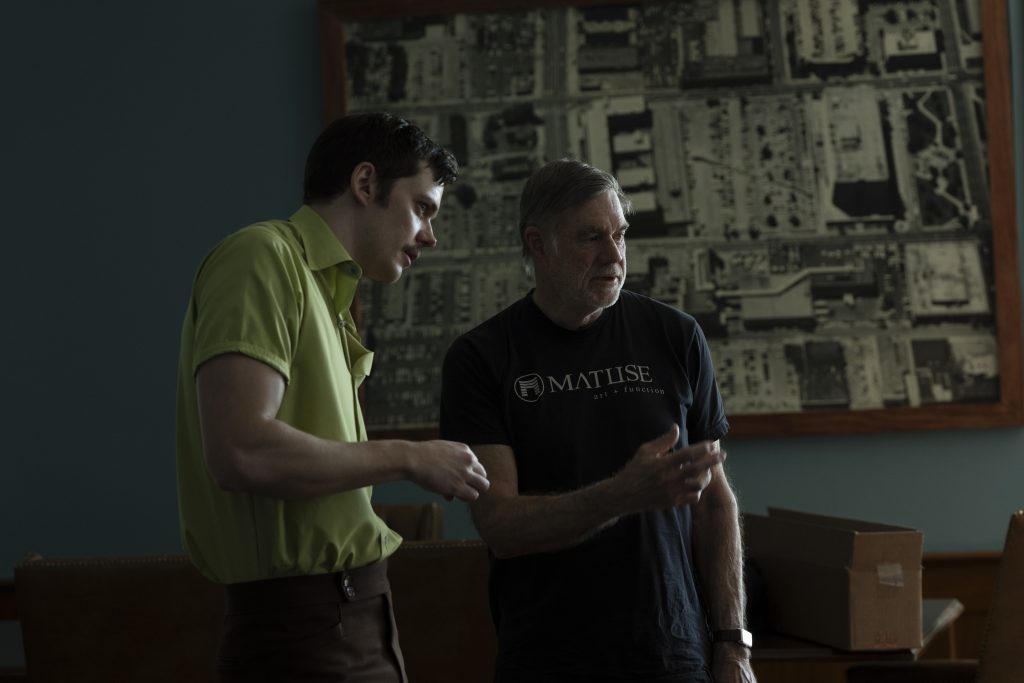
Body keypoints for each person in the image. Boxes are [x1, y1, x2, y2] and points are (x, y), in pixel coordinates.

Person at [175, 112, 490, 682]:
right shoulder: (262, 257)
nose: (430, 236)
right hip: (303, 628)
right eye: (422, 207)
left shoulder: (327, 292)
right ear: (365, 183)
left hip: (355, 613)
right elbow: (241, 450)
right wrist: (410, 456)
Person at [440, 159, 756, 682]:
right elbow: (501, 525)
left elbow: (714, 502)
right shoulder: (482, 358)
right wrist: (623, 494)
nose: (614, 255)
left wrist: (733, 644)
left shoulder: (675, 336)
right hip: (549, 657)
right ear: (538, 244)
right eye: (591, 237)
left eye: (620, 234)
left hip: (674, 654)